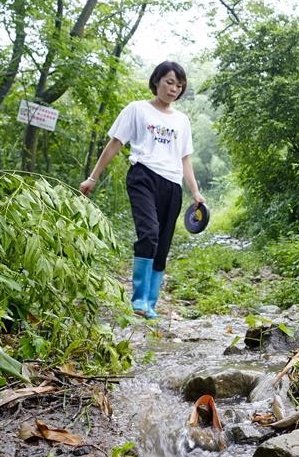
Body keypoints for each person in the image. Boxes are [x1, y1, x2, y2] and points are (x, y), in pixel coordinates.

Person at [80, 61, 205, 319]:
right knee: (149, 233)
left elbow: (185, 159)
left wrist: (195, 192)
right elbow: (115, 144)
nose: (174, 89)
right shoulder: (137, 109)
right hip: (143, 176)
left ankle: (151, 303)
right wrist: (93, 177)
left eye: (179, 85)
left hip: (172, 184)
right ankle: (138, 301)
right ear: (157, 81)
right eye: (169, 82)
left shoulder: (182, 120)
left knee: (163, 243)